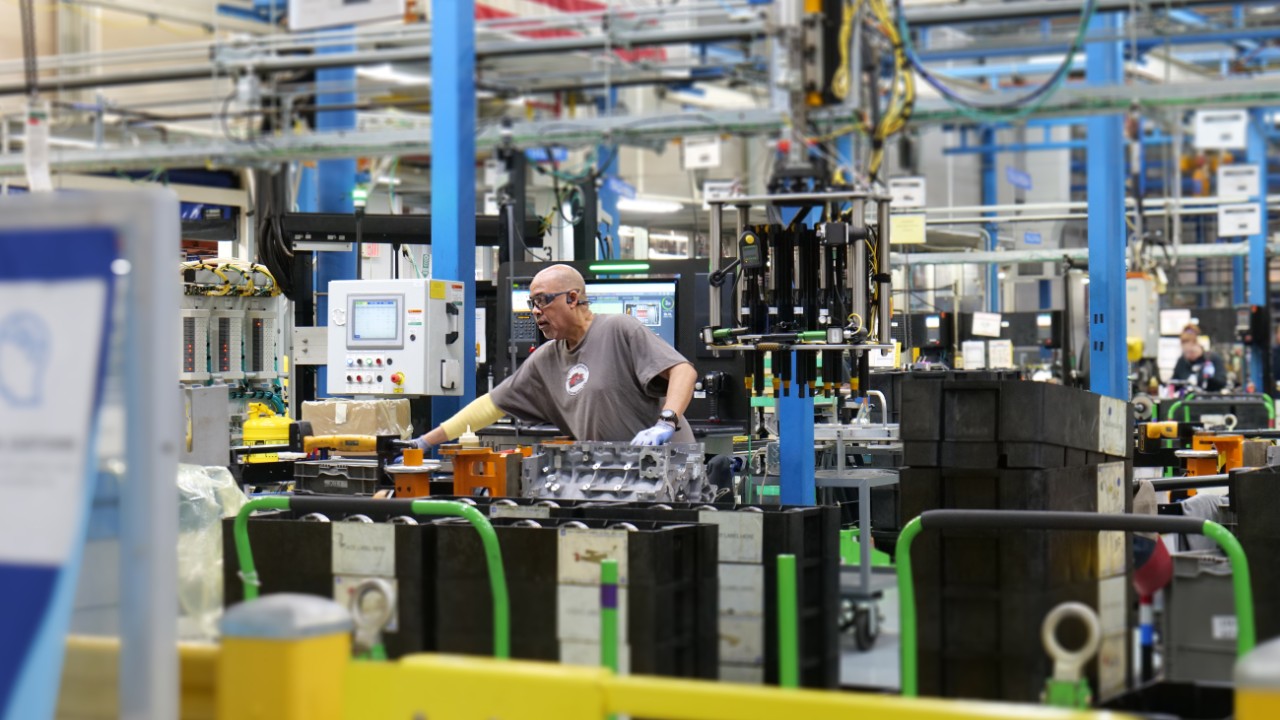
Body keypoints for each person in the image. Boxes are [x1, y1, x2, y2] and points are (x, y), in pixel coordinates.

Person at [412, 264, 698, 451]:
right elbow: (490, 406)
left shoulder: (618, 328)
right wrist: (425, 442)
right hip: (615, 473)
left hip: (668, 467)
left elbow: (683, 371)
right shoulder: (547, 358)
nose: (535, 311)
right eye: (532, 303)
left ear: (572, 298)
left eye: (542, 301)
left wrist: (666, 423)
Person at [1170, 325, 1227, 392]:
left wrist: (1210, 378)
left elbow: (1222, 382)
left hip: (1209, 399)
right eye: (1186, 353)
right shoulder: (1182, 362)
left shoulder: (1212, 358)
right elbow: (1174, 384)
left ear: (1198, 345)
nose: (1188, 356)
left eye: (1191, 352)